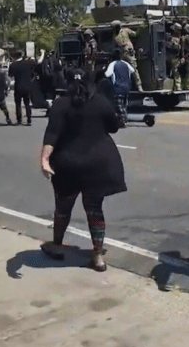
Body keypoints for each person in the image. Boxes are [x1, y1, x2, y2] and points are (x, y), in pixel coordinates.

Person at [39, 69, 126, 272]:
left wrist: (44, 159)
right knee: (94, 209)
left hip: (68, 165)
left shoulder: (60, 104)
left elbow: (52, 134)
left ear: (67, 82)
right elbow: (114, 127)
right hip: (99, 164)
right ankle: (97, 256)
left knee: (63, 208)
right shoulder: (101, 102)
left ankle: (57, 246)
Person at [105, 48, 136, 126]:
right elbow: (132, 70)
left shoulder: (113, 64)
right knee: (124, 105)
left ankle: (123, 119)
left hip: (117, 88)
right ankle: (122, 118)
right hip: (127, 87)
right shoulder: (125, 63)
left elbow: (107, 74)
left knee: (119, 106)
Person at [112, 20, 144, 92]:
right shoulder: (115, 36)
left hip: (129, 52)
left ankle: (139, 86)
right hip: (122, 54)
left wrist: (140, 28)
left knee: (134, 69)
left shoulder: (125, 30)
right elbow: (114, 46)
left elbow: (135, 34)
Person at [8, 51, 37, 126]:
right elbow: (37, 63)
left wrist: (8, 87)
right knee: (27, 103)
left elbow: (10, 77)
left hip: (18, 86)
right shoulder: (28, 63)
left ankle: (19, 119)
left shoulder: (13, 65)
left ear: (14, 57)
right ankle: (29, 119)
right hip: (27, 86)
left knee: (18, 104)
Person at [166, 23, 184, 91]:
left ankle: (178, 86)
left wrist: (174, 44)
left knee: (176, 72)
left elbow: (179, 48)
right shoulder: (172, 37)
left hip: (174, 57)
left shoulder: (178, 39)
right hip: (170, 57)